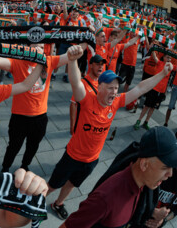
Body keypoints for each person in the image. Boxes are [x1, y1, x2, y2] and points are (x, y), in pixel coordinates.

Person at [48, 44, 173, 220]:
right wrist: (73, 59)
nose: (114, 92)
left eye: (116, 88)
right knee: (53, 184)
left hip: (92, 159)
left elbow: (140, 89)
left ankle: (58, 203)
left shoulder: (115, 103)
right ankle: (33, 203)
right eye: (110, 87)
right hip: (73, 155)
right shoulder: (87, 99)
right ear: (99, 88)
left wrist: (162, 74)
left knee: (73, 184)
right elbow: (76, 82)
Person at [60, 126, 177, 228]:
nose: (170, 174)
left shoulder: (144, 185)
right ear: (144, 164)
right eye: (165, 168)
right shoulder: (106, 198)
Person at [0, 43, 72, 172]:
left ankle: (25, 165)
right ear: (26, 48)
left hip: (40, 117)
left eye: (40, 46)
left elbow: (70, 55)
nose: (37, 49)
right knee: (14, 146)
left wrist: (85, 37)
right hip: (19, 117)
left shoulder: (49, 61)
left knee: (33, 146)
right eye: (33, 46)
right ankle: (5, 168)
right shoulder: (17, 62)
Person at [69, 54, 105, 135]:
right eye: (98, 64)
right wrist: (72, 125)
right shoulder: (83, 83)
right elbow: (73, 104)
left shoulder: (102, 82)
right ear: (91, 65)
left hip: (96, 125)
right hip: (83, 126)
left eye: (102, 65)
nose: (100, 67)